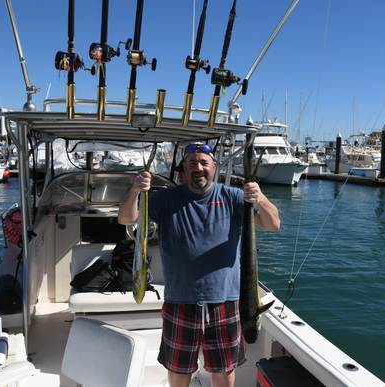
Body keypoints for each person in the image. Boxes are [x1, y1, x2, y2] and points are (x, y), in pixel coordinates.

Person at [118, 143, 280, 387]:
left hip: (225, 301)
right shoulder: (164, 199)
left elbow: (272, 224)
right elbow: (125, 218)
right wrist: (135, 190)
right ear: (184, 168)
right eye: (192, 163)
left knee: (224, 371)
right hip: (180, 301)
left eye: (204, 163)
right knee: (178, 370)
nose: (199, 168)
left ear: (214, 167)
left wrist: (261, 198)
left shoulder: (233, 197)